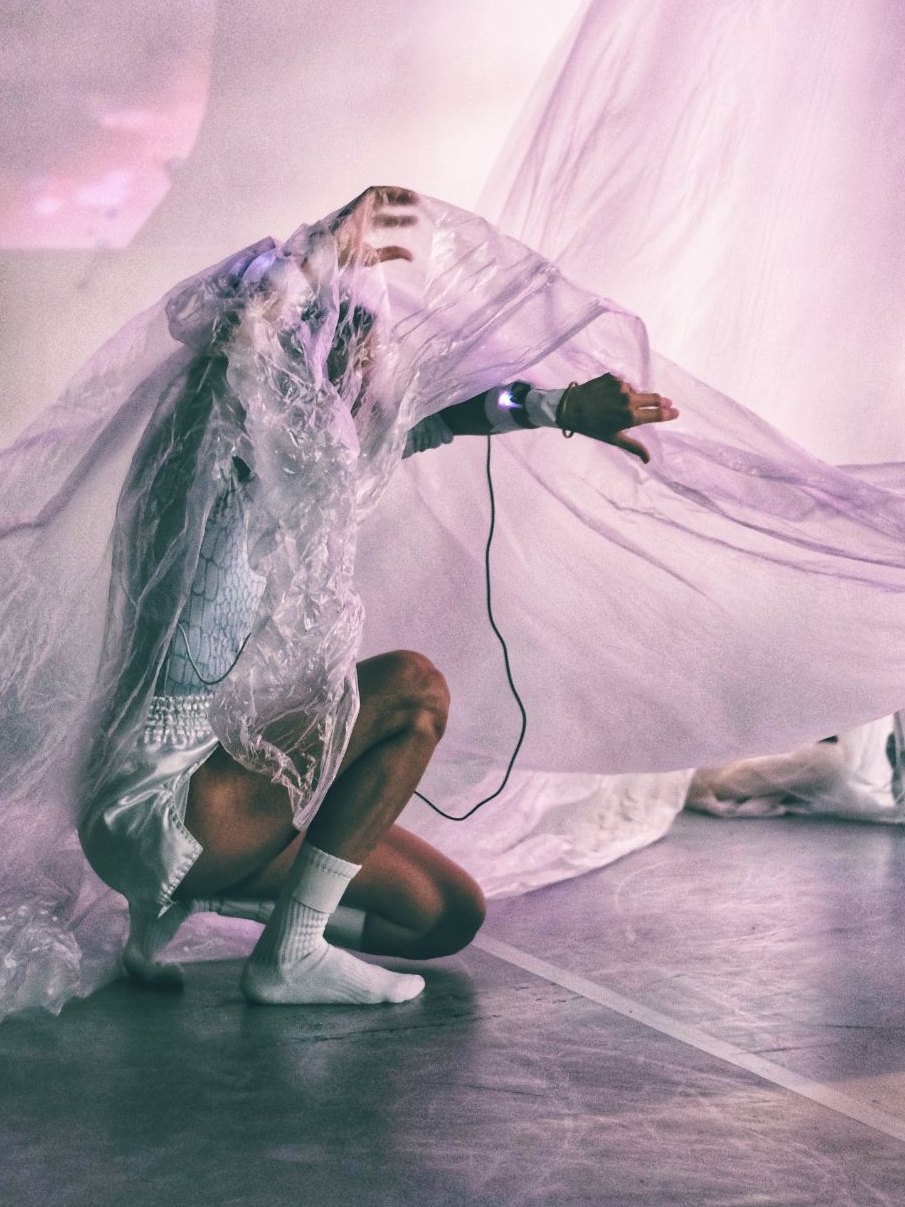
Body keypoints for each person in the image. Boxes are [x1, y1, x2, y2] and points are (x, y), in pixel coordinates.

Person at [78, 186, 679, 1005]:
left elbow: (441, 420)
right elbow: (233, 332)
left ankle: (189, 901)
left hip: (221, 803)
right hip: (161, 802)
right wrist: (321, 251)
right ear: (301, 348)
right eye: (349, 346)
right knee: (411, 689)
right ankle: (287, 959)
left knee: (444, 917)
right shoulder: (221, 442)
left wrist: (555, 406)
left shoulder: (321, 463)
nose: (367, 369)